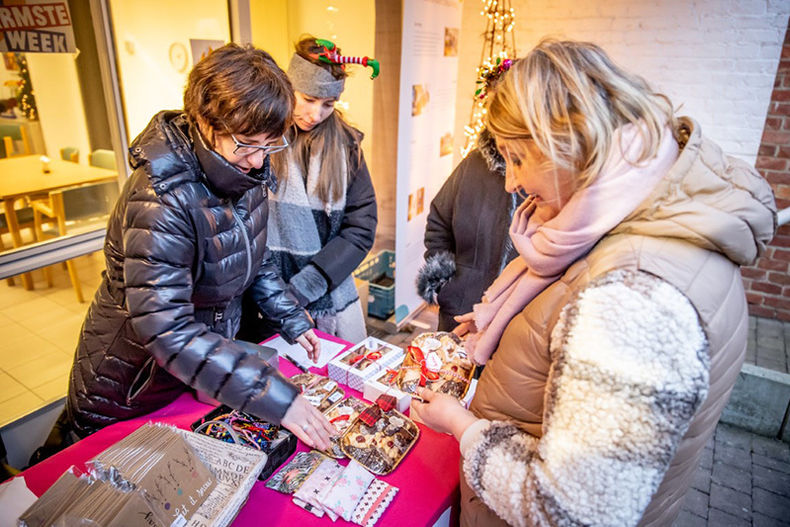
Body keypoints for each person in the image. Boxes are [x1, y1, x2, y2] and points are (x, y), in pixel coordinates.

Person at [411, 38, 776, 526]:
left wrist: (463, 426)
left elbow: (572, 512)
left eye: (518, 159)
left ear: (567, 143)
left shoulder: (634, 298)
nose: (510, 183)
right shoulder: (642, 221)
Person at [42, 44, 336, 458]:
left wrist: (290, 316)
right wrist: (269, 393)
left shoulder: (239, 172)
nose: (256, 161)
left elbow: (253, 257)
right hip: (133, 385)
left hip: (198, 372)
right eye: (246, 144)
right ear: (203, 121)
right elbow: (167, 330)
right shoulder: (162, 199)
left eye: (268, 146)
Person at [239, 36, 377, 344]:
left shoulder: (348, 147)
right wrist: (277, 294)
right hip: (259, 295)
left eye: (327, 104)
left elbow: (361, 228)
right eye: (308, 99)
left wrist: (306, 286)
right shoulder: (259, 138)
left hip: (325, 290)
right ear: (289, 88)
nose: (315, 115)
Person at [417, 128, 521, 331]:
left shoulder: (553, 179)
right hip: (460, 313)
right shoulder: (475, 163)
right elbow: (439, 220)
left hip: (518, 323)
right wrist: (443, 283)